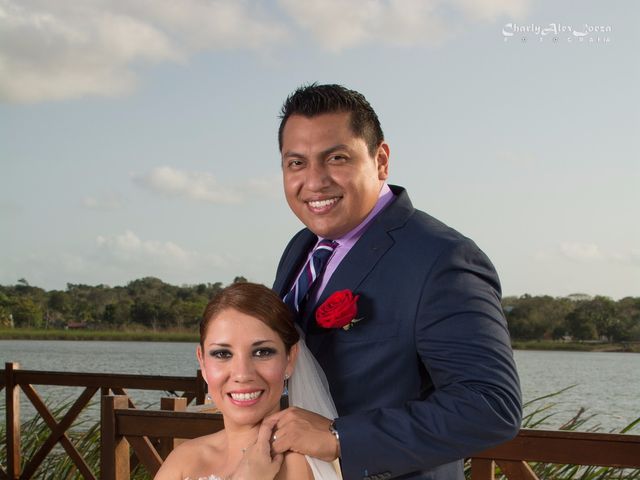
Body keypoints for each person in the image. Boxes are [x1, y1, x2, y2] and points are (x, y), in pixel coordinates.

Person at [269, 84, 522, 480]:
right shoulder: (300, 248)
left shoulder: (441, 258)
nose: (314, 181)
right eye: (296, 163)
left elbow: (489, 406)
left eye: (336, 158)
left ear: (381, 160)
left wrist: (340, 439)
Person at [155, 282, 341, 480]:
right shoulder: (184, 458)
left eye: (262, 352)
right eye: (222, 353)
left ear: (290, 358)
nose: (242, 374)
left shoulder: (300, 463)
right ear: (202, 361)